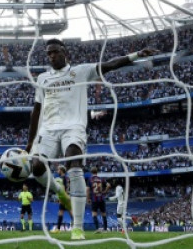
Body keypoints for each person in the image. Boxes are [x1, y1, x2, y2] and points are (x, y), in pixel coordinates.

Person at [25, 38, 156, 240]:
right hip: (48, 129)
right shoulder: (42, 78)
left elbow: (110, 64)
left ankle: (77, 227)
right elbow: (36, 110)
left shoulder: (81, 71)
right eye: (48, 54)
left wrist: (136, 55)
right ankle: (58, 189)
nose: (51, 56)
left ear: (64, 51)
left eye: (54, 52)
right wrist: (30, 141)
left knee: (74, 165)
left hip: (74, 127)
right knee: (37, 167)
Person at [87, 166, 108, 233]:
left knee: (94, 214)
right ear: (97, 172)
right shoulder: (101, 179)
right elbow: (109, 185)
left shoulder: (90, 179)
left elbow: (87, 189)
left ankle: (97, 228)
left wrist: (88, 198)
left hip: (94, 199)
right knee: (104, 214)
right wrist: (105, 191)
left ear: (91, 172)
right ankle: (105, 229)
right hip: (101, 198)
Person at [54, 165, 71, 231]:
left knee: (63, 212)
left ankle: (58, 229)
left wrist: (62, 197)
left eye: (58, 170)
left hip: (64, 196)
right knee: (62, 211)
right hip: (68, 196)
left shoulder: (63, 178)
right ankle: (58, 228)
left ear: (61, 170)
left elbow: (63, 188)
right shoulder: (67, 178)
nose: (57, 171)